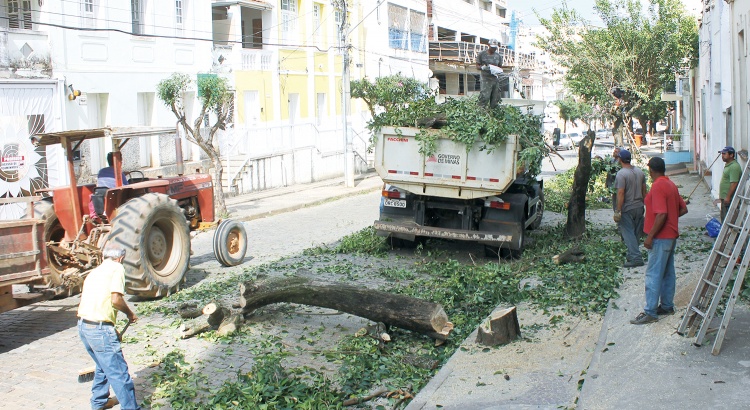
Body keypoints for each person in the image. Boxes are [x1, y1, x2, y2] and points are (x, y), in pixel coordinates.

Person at [78, 244, 140, 409]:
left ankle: (99, 401)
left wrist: (110, 329)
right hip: (99, 329)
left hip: (84, 326)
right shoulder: (117, 268)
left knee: (103, 364)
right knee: (119, 373)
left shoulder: (94, 272)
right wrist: (130, 314)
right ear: (120, 258)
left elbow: (97, 303)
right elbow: (115, 300)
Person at [630, 157, 688, 325]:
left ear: (651, 171)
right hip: (670, 236)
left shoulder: (658, 186)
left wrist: (650, 236)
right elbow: (683, 209)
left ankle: (650, 312)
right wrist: (671, 220)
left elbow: (661, 214)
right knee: (668, 272)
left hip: (660, 238)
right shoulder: (670, 184)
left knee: (653, 274)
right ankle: (667, 306)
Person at [613, 149, 647, 267]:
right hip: (639, 206)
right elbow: (644, 190)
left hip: (627, 207)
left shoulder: (621, 174)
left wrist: (618, 210)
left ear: (620, 160)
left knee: (628, 233)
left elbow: (621, 193)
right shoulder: (640, 172)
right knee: (636, 233)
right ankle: (632, 254)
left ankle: (636, 258)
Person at [714, 146, 741, 221]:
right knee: (724, 219)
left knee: (731, 220)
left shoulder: (734, 167)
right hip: (725, 198)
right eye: (722, 154)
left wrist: (728, 197)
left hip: (730, 198)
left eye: (724, 154)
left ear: (731, 155)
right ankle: (726, 233)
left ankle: (734, 233)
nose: (722, 156)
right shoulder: (728, 165)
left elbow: (734, 183)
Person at [475, 39, 503, 108]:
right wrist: (482, 67)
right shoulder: (482, 54)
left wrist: (497, 71)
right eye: (492, 47)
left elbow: (500, 67)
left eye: (495, 47)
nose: (494, 49)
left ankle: (493, 113)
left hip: (494, 78)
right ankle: (481, 112)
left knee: (495, 98)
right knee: (484, 96)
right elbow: (477, 66)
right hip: (485, 79)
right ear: (488, 45)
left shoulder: (498, 56)